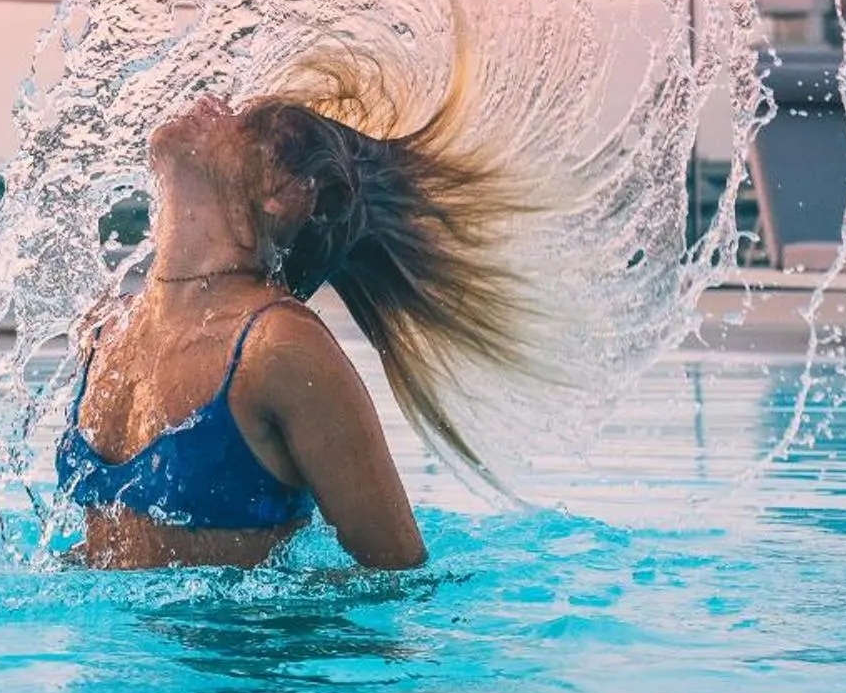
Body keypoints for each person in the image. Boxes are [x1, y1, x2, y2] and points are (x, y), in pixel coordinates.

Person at [58, 43, 545, 571]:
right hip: (108, 656)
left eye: (249, 127)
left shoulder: (278, 349)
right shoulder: (103, 328)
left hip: (247, 653)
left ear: (285, 194)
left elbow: (397, 577)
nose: (219, 104)